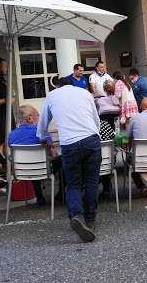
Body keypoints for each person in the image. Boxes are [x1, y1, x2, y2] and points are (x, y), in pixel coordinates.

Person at [37, 77, 101, 243]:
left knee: (73, 183)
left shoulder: (52, 95)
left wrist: (43, 138)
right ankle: (90, 220)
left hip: (69, 143)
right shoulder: (85, 93)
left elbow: (43, 124)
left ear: (58, 86)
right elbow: (96, 120)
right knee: (92, 182)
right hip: (91, 139)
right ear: (73, 85)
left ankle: (76, 216)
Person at [8, 105, 62, 206]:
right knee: (64, 160)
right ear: (29, 118)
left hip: (21, 171)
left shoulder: (11, 135)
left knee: (31, 162)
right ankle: (61, 195)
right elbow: (54, 154)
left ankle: (39, 197)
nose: (39, 117)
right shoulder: (41, 133)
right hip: (43, 170)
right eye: (37, 114)